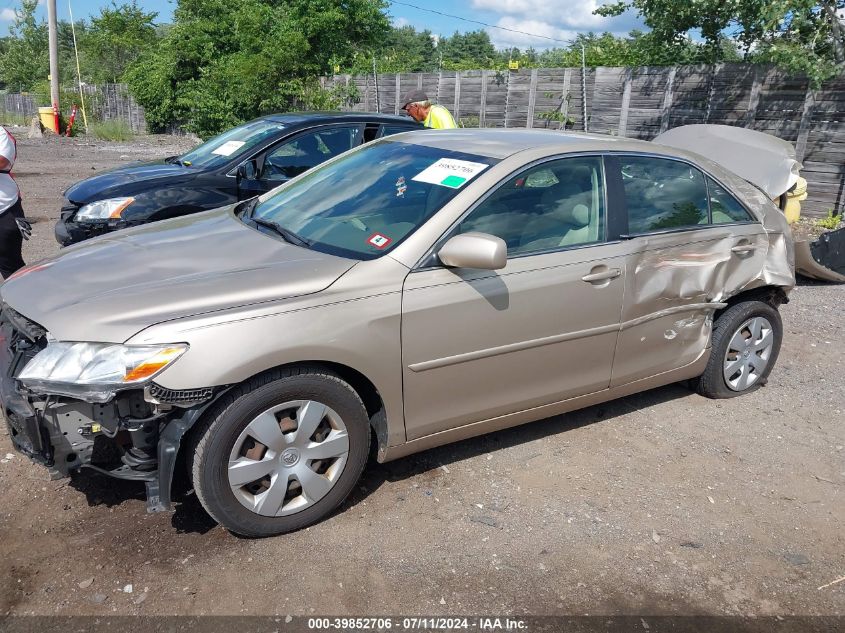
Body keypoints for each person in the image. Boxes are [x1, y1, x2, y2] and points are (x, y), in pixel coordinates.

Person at [0, 126, 28, 280]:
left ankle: (28, 300)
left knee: (11, 266)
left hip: (4, 210)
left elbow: (3, 161)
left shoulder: (1, 133)